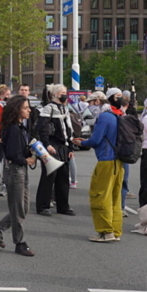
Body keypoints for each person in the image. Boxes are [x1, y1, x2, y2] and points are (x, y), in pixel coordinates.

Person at [0, 95, 35, 257]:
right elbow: (12, 153)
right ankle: (19, 242)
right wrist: (25, 159)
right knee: (19, 208)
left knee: (23, 208)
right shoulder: (13, 129)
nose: (29, 110)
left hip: (21, 170)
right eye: (26, 108)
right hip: (15, 171)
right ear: (17, 110)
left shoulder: (20, 127)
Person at [73, 88, 124, 242]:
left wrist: (82, 142)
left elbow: (95, 140)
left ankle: (104, 231)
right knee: (115, 198)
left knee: (100, 196)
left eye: (90, 103)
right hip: (118, 161)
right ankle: (115, 231)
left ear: (97, 101)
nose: (88, 106)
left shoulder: (103, 117)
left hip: (106, 160)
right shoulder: (116, 115)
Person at [34, 84, 75, 217]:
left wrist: (70, 147)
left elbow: (69, 129)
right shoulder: (49, 108)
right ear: (55, 94)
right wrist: (47, 144)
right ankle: (42, 206)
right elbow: (41, 127)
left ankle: (63, 206)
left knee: (63, 177)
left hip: (63, 147)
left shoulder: (65, 108)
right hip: (52, 146)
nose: (65, 94)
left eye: (65, 92)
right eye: (62, 92)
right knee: (48, 177)